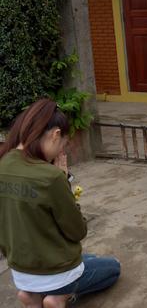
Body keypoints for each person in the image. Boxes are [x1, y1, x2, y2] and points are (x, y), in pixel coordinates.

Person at [0, 99, 120, 308]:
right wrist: (63, 181)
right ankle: (59, 297)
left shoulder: (3, 164)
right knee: (112, 267)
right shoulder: (51, 177)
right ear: (56, 135)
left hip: (20, 272)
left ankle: (32, 296)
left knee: (88, 258)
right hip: (57, 272)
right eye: (63, 144)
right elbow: (77, 231)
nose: (60, 152)